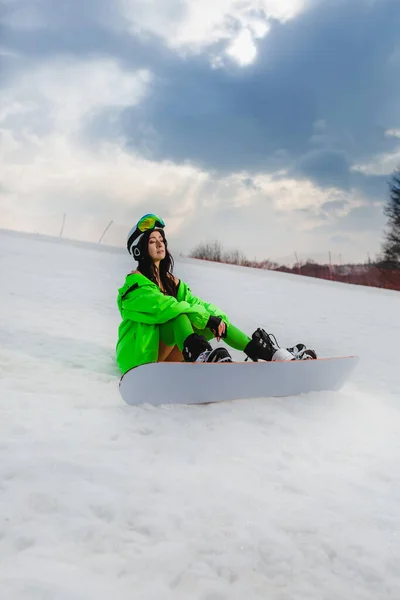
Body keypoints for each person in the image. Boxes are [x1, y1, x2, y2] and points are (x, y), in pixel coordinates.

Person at [116, 213, 317, 374]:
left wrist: (217, 320)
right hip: (140, 358)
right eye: (152, 241)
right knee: (179, 317)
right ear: (139, 250)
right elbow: (164, 308)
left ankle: (268, 353)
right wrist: (205, 318)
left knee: (212, 323)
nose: (160, 244)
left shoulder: (171, 282)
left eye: (161, 239)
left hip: (166, 355)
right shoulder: (134, 287)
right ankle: (202, 357)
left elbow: (199, 304)